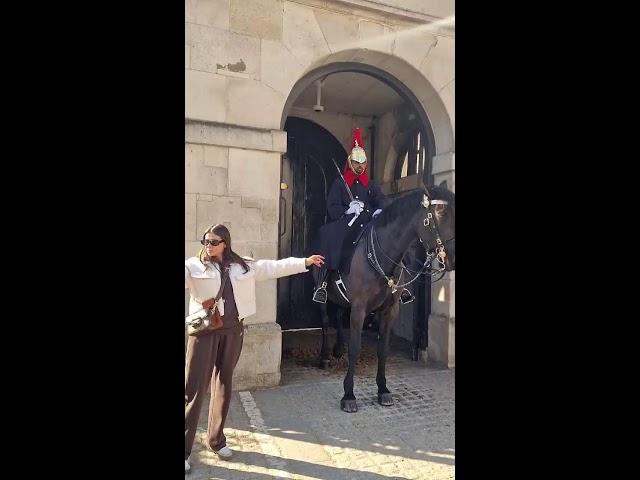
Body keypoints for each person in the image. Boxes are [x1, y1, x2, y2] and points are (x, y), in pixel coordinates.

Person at [184, 224, 324, 473]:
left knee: (224, 385)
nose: (208, 245)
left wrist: (304, 261)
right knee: (193, 391)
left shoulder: (242, 266)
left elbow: (273, 268)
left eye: (214, 241)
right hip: (204, 334)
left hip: (233, 332)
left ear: (225, 243)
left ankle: (216, 440)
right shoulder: (193, 266)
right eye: (205, 241)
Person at [312, 127, 386, 303]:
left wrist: (375, 210)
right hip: (348, 221)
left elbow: (381, 200)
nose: (360, 167)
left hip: (368, 221)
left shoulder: (372, 185)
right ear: (350, 163)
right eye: (356, 163)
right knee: (327, 234)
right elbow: (332, 206)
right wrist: (348, 209)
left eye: (363, 163)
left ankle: (399, 283)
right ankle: (322, 283)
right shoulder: (340, 183)